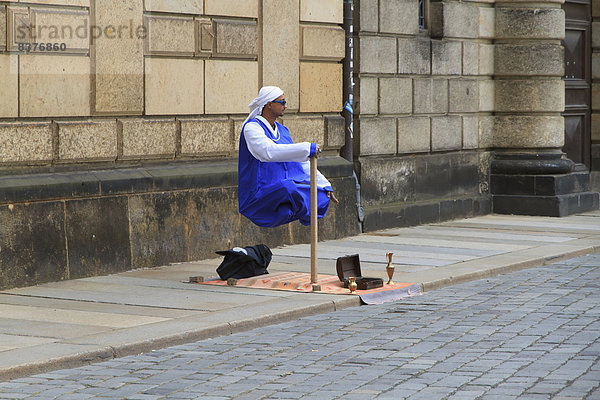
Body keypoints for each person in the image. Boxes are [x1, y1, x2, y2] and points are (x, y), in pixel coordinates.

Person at [238, 86, 339, 228]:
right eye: (282, 102)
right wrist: (305, 148)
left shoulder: (283, 130)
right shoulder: (252, 128)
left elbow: (300, 163)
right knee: (289, 188)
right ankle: (287, 208)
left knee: (321, 195)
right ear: (269, 104)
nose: (286, 106)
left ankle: (291, 211)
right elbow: (267, 152)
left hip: (283, 191)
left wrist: (324, 184)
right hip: (259, 195)